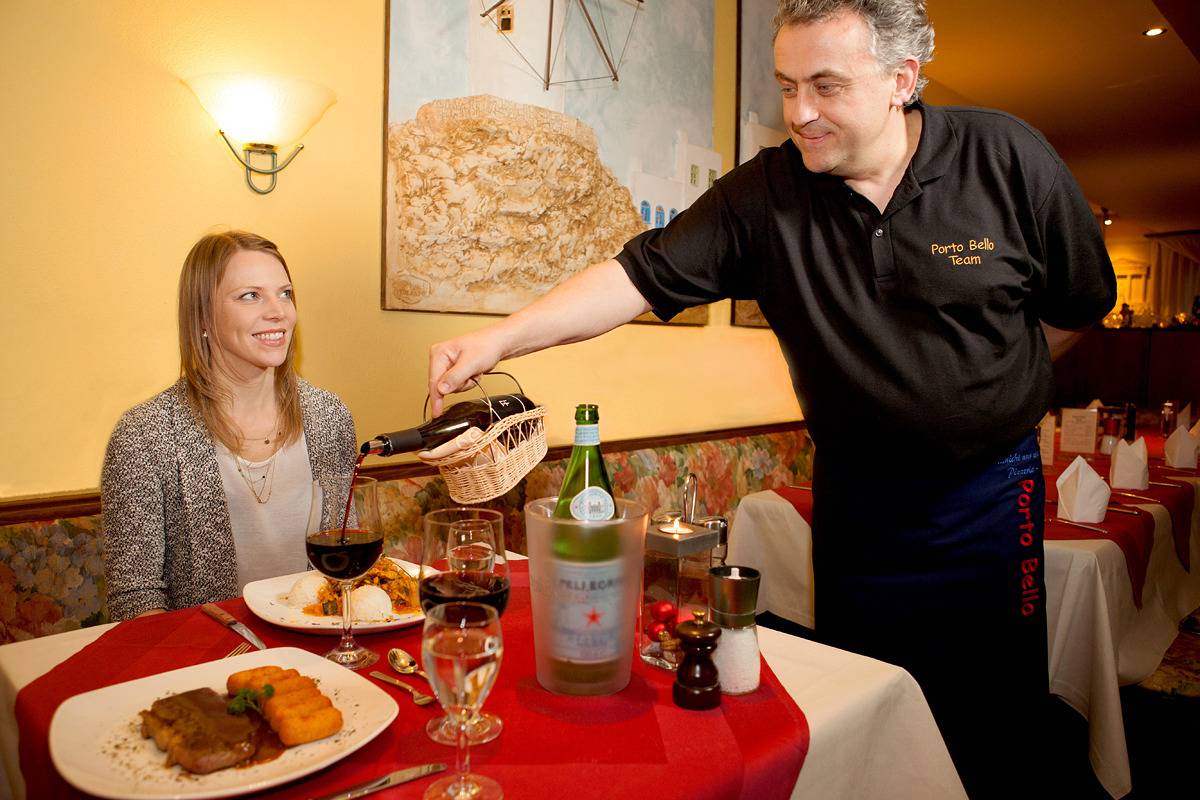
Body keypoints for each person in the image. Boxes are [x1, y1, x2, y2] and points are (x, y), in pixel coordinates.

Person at [428, 1, 1114, 795]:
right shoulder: (767, 194)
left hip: (991, 496)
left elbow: (1073, 310)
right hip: (858, 500)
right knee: (869, 697)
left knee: (995, 716)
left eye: (825, 85)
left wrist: (989, 395)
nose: (800, 113)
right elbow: (635, 275)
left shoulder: (1007, 157)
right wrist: (500, 338)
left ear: (903, 80)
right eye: (787, 86)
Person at [102, 231, 356, 622]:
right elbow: (136, 598)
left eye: (285, 293)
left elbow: (351, 561)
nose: (278, 312)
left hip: (320, 643)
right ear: (203, 316)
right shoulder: (145, 434)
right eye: (250, 296)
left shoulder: (330, 416)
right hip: (205, 661)